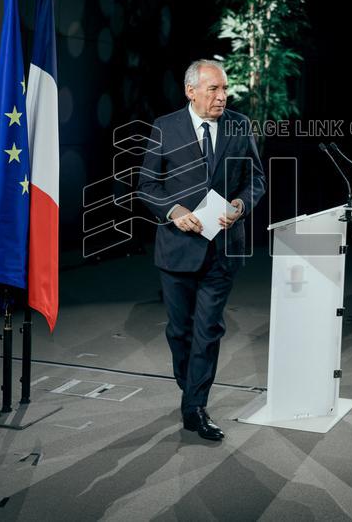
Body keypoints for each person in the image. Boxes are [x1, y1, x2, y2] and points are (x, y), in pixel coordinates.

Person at [138, 59, 266, 440]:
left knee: (208, 328)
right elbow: (147, 185)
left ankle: (195, 407)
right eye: (213, 89)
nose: (222, 96)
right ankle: (190, 387)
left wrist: (240, 206)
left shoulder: (240, 126)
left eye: (225, 89)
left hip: (223, 249)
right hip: (177, 249)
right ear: (191, 91)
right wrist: (174, 212)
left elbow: (255, 180)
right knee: (180, 332)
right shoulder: (165, 127)